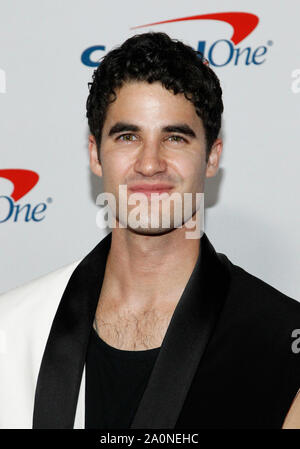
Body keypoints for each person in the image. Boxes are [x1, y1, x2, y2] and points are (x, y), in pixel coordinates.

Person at [0, 32, 299, 430]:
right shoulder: (14, 329)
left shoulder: (281, 341)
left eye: (175, 137)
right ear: (94, 153)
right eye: (128, 136)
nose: (150, 163)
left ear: (212, 157)